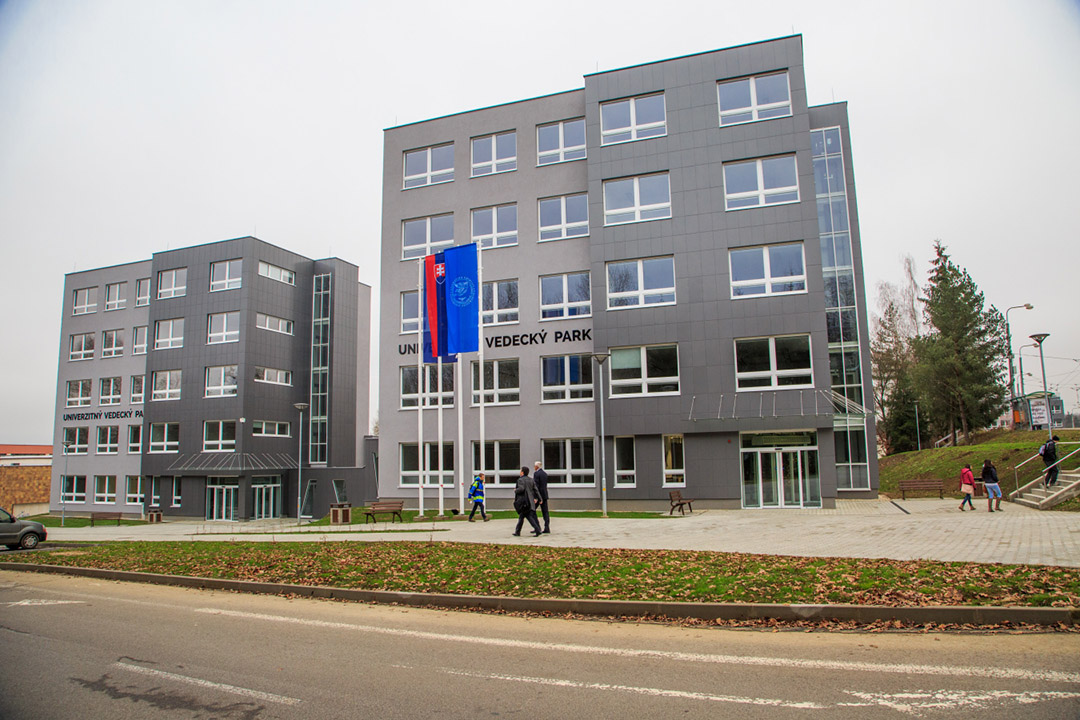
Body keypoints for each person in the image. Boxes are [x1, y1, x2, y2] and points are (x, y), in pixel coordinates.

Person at [512, 466, 542, 537]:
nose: (520, 472)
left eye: (520, 471)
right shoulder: (531, 480)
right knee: (522, 516)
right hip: (530, 501)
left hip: (523, 502)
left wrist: (516, 490)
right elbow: (536, 490)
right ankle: (517, 531)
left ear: (522, 472)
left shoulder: (520, 480)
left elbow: (521, 489)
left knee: (528, 516)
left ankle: (537, 530)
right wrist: (540, 498)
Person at [533, 460, 550, 534]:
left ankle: (537, 527)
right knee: (545, 512)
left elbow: (536, 486)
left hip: (539, 496)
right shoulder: (545, 474)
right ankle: (547, 527)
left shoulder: (536, 474)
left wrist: (535, 497)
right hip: (544, 495)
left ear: (537, 466)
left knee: (532, 510)